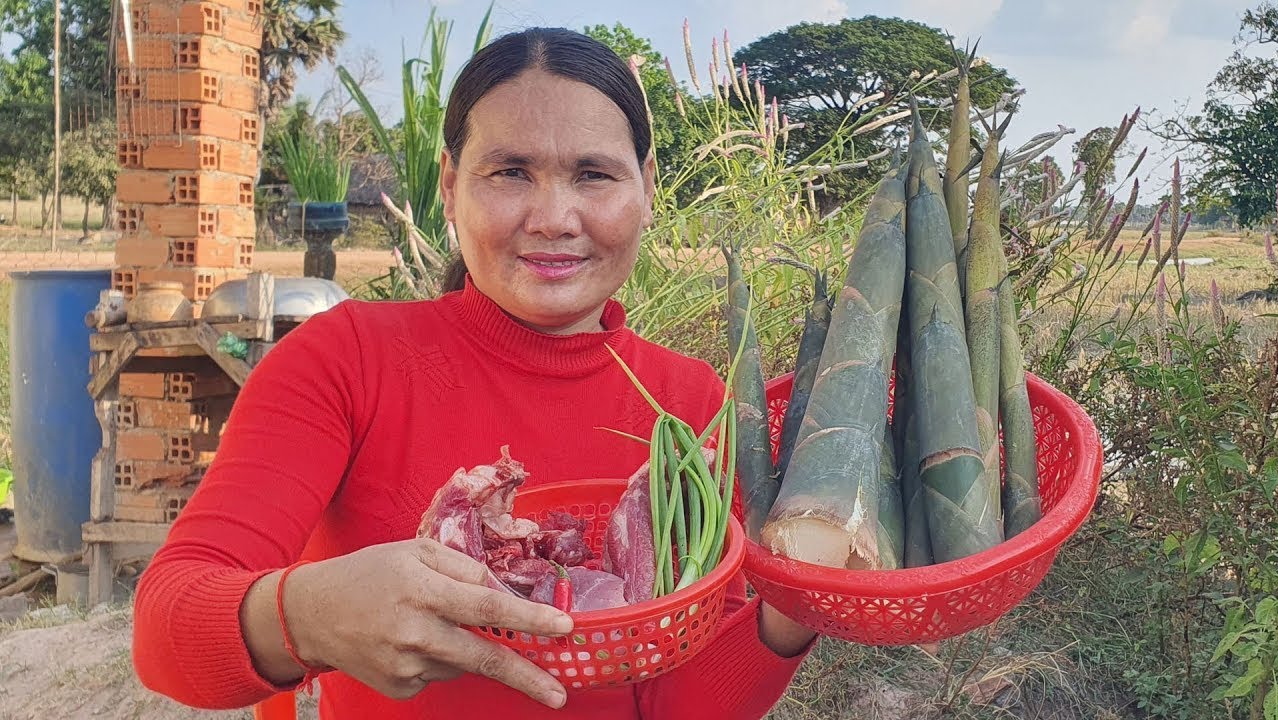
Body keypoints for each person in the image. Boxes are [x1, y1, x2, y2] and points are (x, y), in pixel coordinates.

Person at [131, 27, 817, 720]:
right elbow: (166, 634)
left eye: (594, 174)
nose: (553, 219)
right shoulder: (345, 360)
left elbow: (679, 702)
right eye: (511, 171)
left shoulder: (692, 409)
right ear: (451, 183)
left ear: (646, 186)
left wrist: (793, 609)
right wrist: (308, 617)